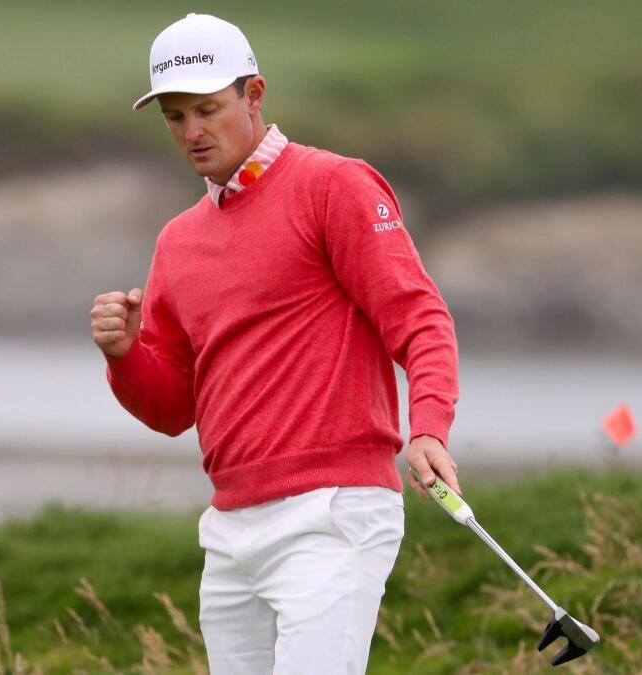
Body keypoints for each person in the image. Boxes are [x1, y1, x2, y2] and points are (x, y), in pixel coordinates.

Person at [89, 13, 460, 674]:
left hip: (335, 511)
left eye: (208, 109)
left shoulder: (333, 186)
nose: (193, 132)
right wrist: (124, 358)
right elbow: (175, 404)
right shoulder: (178, 240)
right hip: (230, 529)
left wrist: (428, 423)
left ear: (254, 95)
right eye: (175, 117)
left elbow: (419, 316)